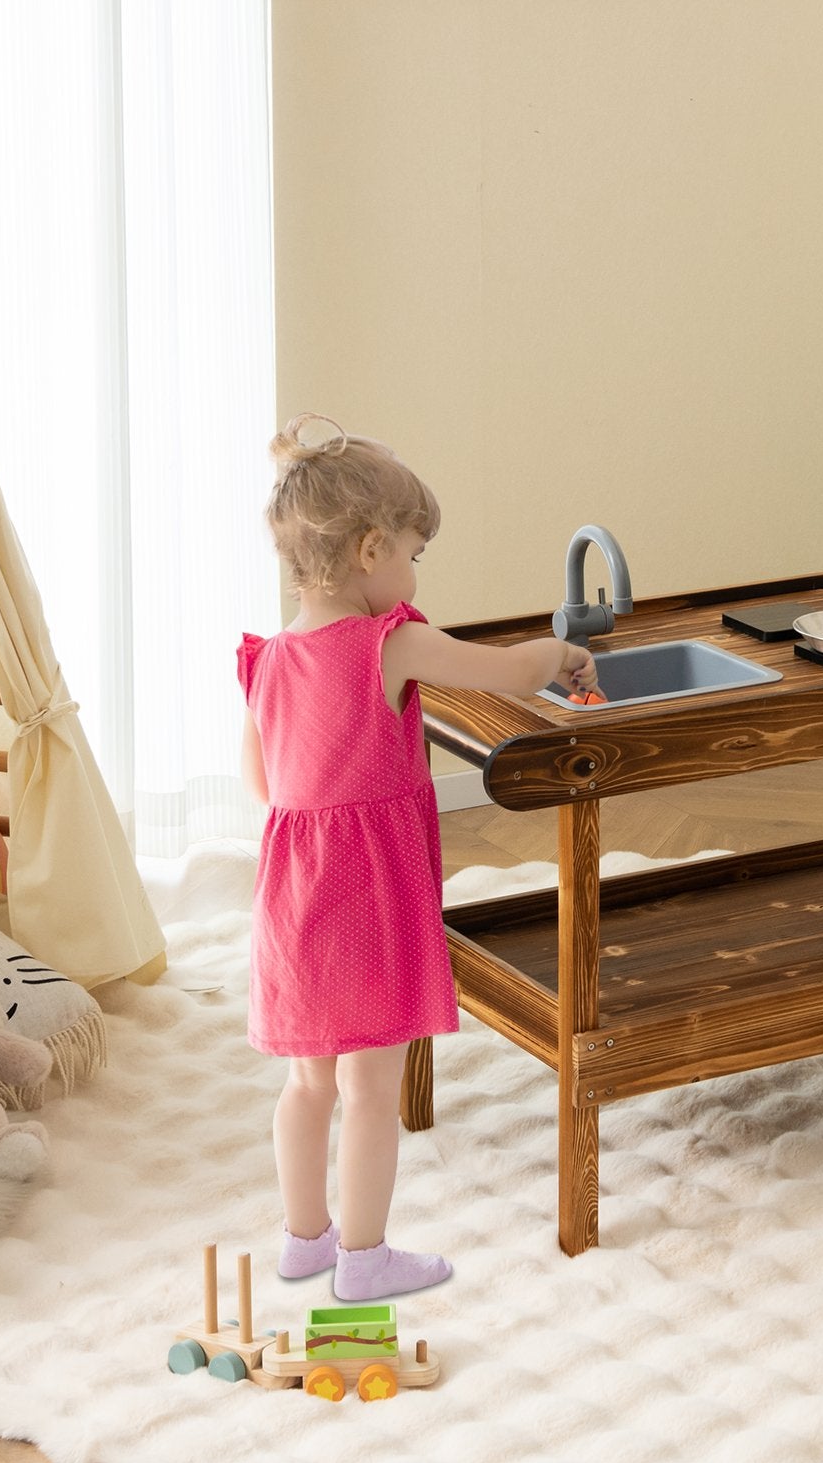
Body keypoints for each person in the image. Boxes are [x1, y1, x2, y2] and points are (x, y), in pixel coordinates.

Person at [238, 414, 598, 1300]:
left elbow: (261, 784)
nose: (412, 572)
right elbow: (509, 673)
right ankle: (364, 1261)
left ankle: (304, 1239)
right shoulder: (384, 643)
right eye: (412, 552)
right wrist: (562, 649)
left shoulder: (268, 660)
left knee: (309, 1083)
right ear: (369, 551)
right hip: (364, 891)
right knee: (371, 1088)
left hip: (291, 894)